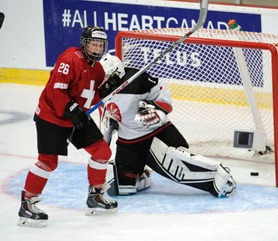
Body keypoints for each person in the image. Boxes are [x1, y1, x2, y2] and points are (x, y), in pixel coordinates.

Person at [18, 26, 118, 228]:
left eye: (100, 45)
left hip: (74, 117)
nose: (97, 49)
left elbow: (90, 98)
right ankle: (27, 205)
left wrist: (106, 90)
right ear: (84, 43)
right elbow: (57, 92)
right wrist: (72, 109)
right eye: (93, 44)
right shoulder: (70, 58)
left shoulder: (97, 70)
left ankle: (96, 197)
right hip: (51, 116)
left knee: (102, 151)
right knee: (48, 162)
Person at [98, 53, 236, 198]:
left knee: (179, 169)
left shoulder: (137, 80)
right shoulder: (102, 90)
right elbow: (111, 112)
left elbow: (164, 99)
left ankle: (221, 177)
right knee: (123, 186)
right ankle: (141, 175)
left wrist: (156, 111)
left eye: (105, 76)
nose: (102, 80)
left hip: (156, 134)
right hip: (129, 142)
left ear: (116, 72)